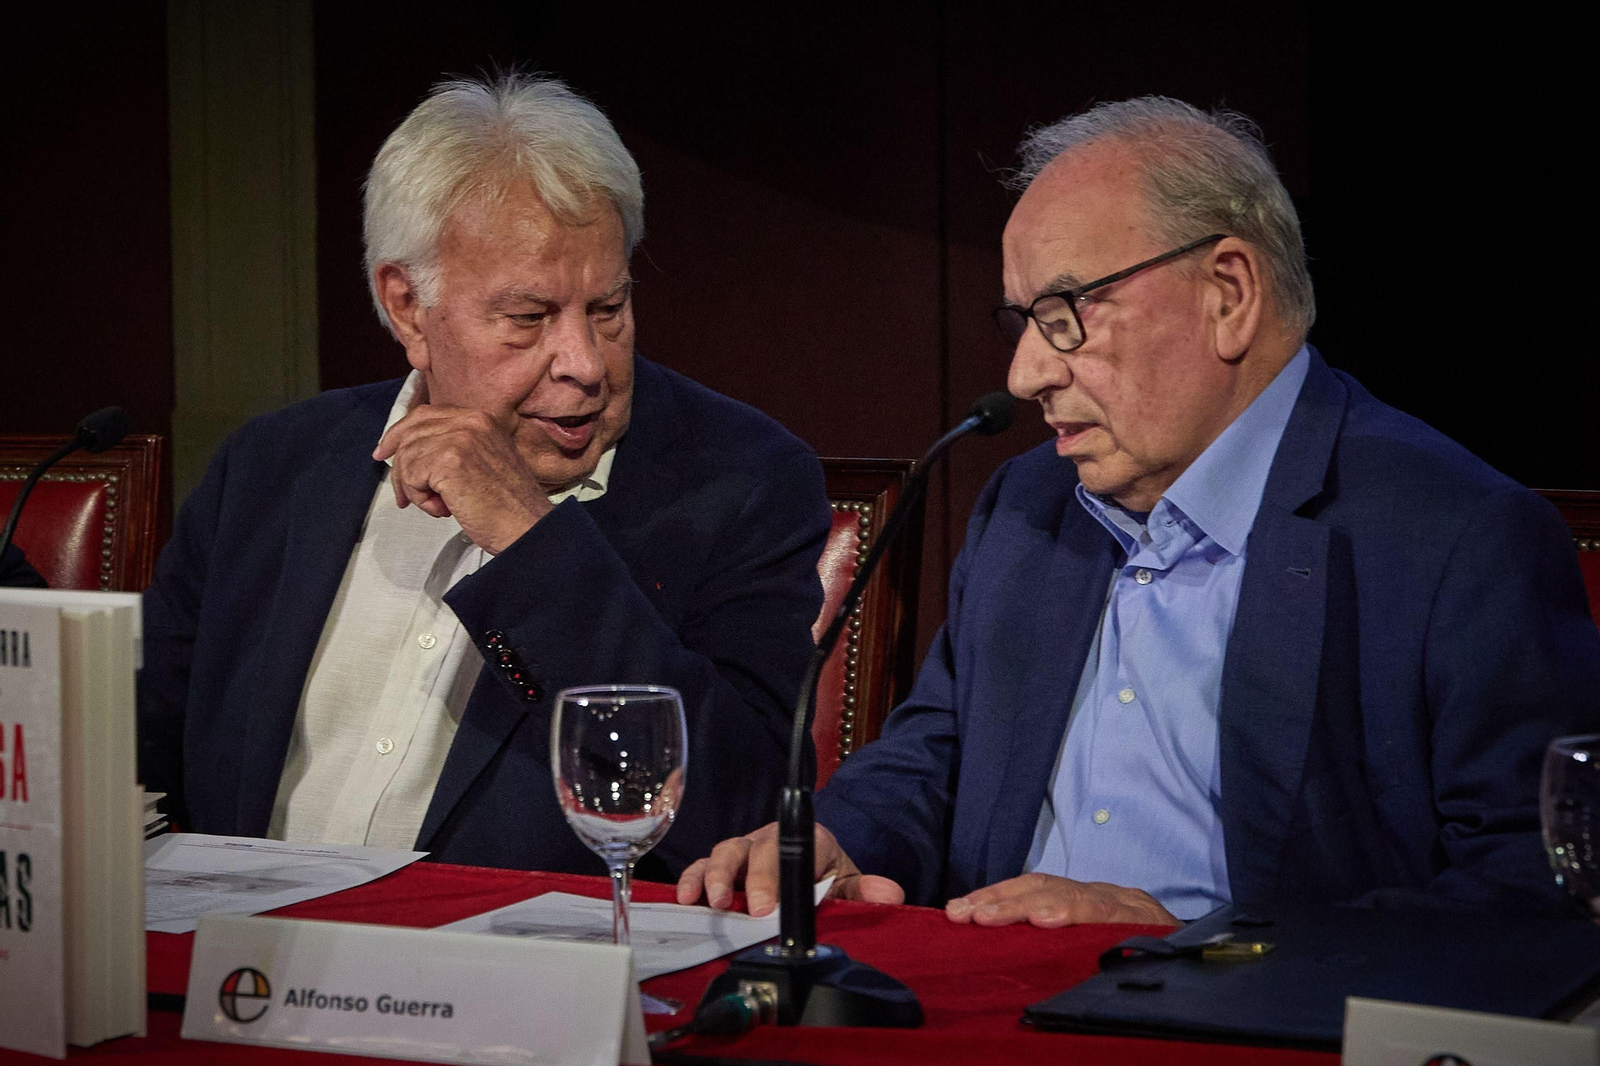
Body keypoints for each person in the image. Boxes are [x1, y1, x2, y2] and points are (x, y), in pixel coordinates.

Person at [678, 96, 1600, 925]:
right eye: (1023, 322)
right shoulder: (1029, 505)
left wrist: (1197, 945)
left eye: (1067, 312)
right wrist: (840, 839)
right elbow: (935, 753)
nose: (1025, 375)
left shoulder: (1456, 538)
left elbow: (1535, 886)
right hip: (996, 997)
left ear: (1228, 294)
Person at [136, 74, 831, 880]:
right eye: (528, 319)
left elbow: (743, 813)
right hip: (247, 946)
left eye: (607, 309)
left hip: (525, 956)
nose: (584, 364)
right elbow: (126, 755)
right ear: (407, 306)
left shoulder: (743, 482)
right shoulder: (271, 469)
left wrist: (533, 542)